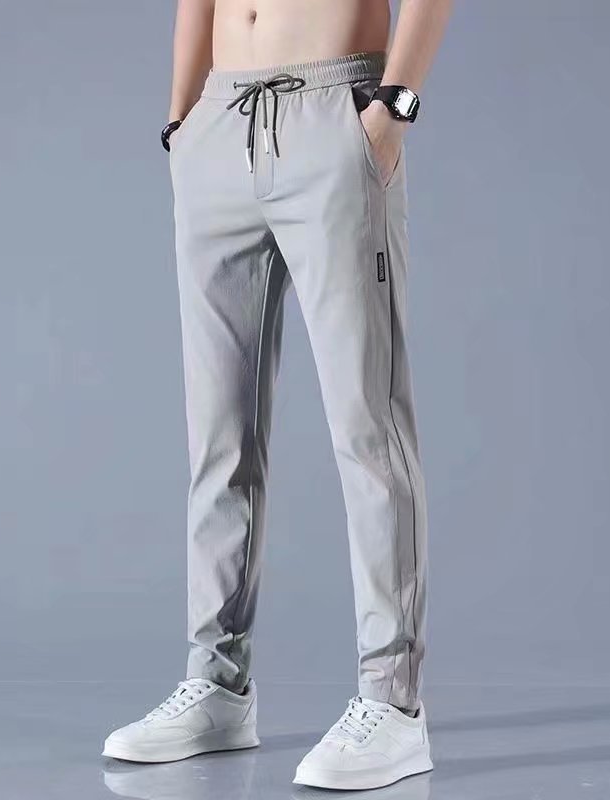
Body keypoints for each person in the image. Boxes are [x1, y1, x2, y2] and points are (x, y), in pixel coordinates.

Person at [103, 0, 451, 790]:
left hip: (335, 115)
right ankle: (217, 685)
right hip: (218, 121)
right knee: (219, 435)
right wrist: (182, 121)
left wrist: (390, 111)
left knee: (369, 430)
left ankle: (393, 702)